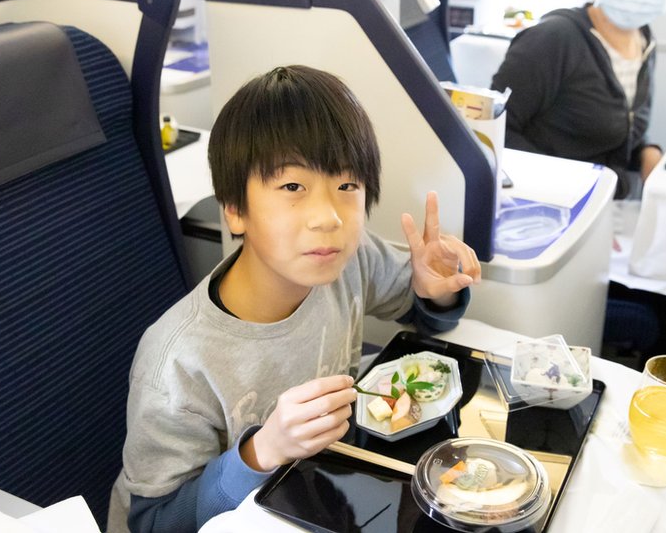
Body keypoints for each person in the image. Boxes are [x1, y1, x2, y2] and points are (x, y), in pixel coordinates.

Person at [106, 65, 481, 532]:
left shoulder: (349, 259)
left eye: (347, 187)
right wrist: (261, 452)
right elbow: (153, 523)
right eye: (292, 187)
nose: (328, 218)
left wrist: (433, 293)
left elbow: (425, 316)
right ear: (235, 210)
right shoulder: (178, 362)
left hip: (315, 498)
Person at [491, 0, 666, 198]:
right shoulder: (553, 38)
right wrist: (571, 183)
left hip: (609, 200)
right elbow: (494, 127)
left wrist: (646, 151)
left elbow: (622, 125)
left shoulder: (646, 43)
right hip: (550, 201)